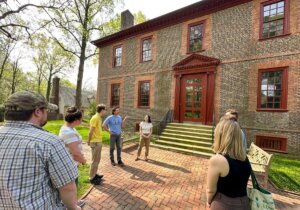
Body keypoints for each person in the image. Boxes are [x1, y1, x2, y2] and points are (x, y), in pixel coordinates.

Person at [0, 91, 80, 210]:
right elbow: (67, 187)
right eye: (46, 110)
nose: (47, 113)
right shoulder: (49, 142)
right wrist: (74, 207)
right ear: (37, 112)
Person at [206, 117, 251, 210]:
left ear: (220, 135)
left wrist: (209, 201)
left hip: (224, 204)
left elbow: (210, 190)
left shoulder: (217, 160)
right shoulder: (245, 158)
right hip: (244, 203)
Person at [59, 106, 86, 207]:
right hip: (70, 163)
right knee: (71, 185)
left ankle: (74, 202)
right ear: (76, 120)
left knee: (74, 185)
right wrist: (83, 160)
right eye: (81, 118)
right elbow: (75, 153)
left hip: (72, 163)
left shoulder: (70, 128)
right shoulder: (68, 132)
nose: (82, 120)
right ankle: (71, 205)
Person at [88, 104, 106, 185]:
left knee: (97, 160)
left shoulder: (99, 118)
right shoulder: (95, 118)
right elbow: (91, 131)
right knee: (94, 160)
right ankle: (91, 178)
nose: (105, 111)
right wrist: (89, 140)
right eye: (105, 110)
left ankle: (95, 174)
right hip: (95, 142)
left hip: (98, 141)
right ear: (102, 110)